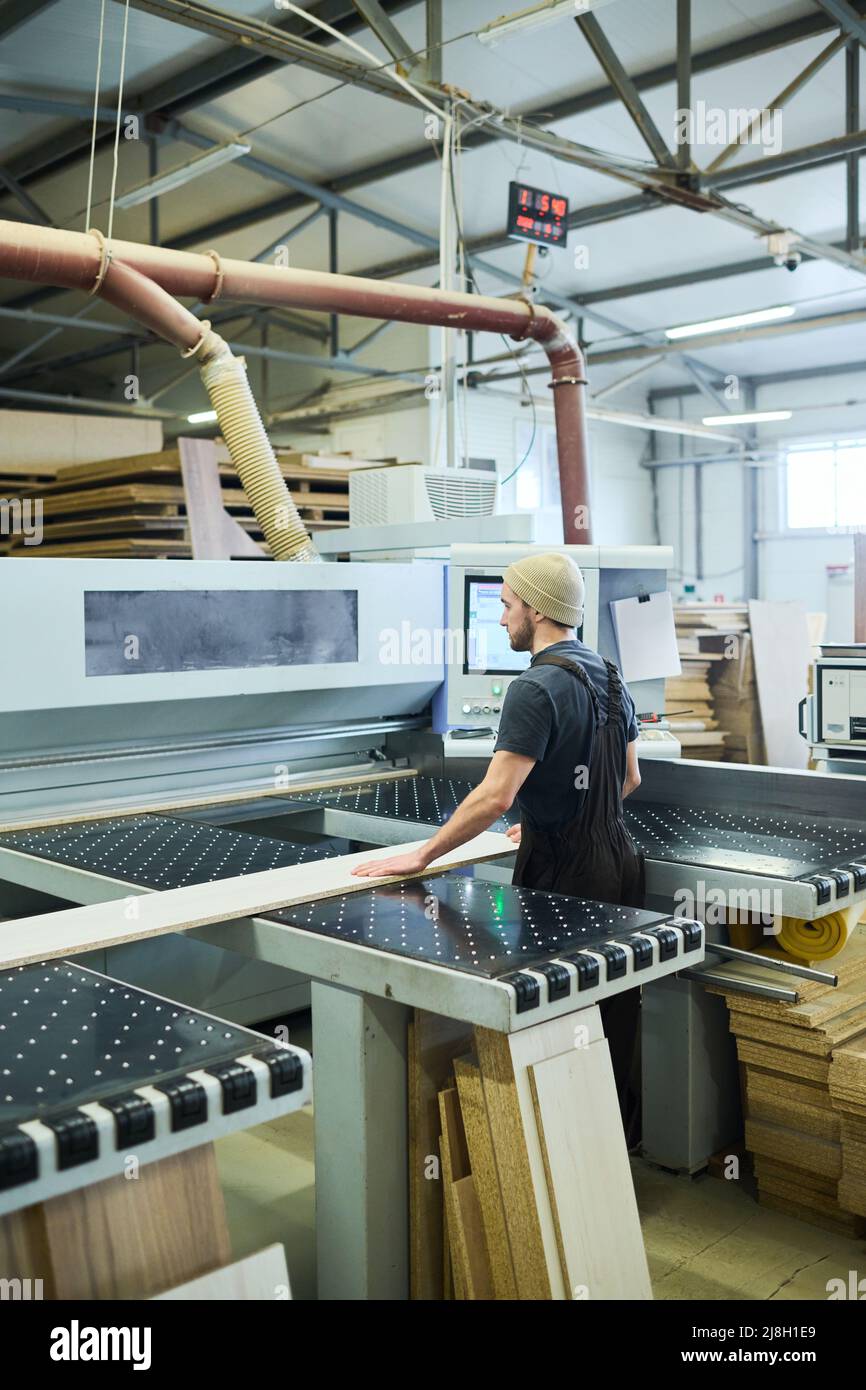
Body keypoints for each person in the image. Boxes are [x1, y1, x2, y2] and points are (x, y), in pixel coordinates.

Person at [352, 551, 645, 1140]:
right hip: (619, 861)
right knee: (611, 1013)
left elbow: (494, 796)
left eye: (507, 605)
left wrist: (422, 854)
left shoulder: (534, 687)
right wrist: (554, 816)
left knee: (554, 1014)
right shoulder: (610, 676)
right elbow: (627, 780)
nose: (502, 618)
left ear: (535, 609)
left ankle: (555, 1150)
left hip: (567, 874)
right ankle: (609, 1152)